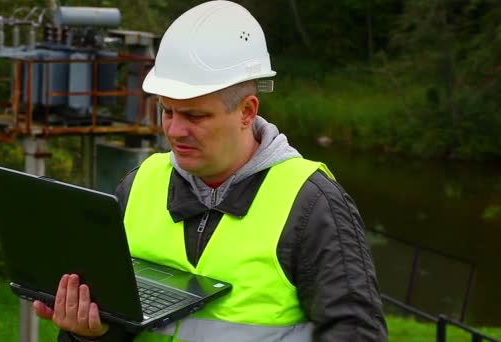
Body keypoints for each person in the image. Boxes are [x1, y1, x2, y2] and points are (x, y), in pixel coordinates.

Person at [35, 1, 388, 341]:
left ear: (247, 112)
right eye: (167, 111)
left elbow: (356, 334)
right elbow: (119, 322)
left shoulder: (311, 205)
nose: (173, 130)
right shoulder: (140, 184)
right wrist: (89, 336)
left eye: (195, 116)